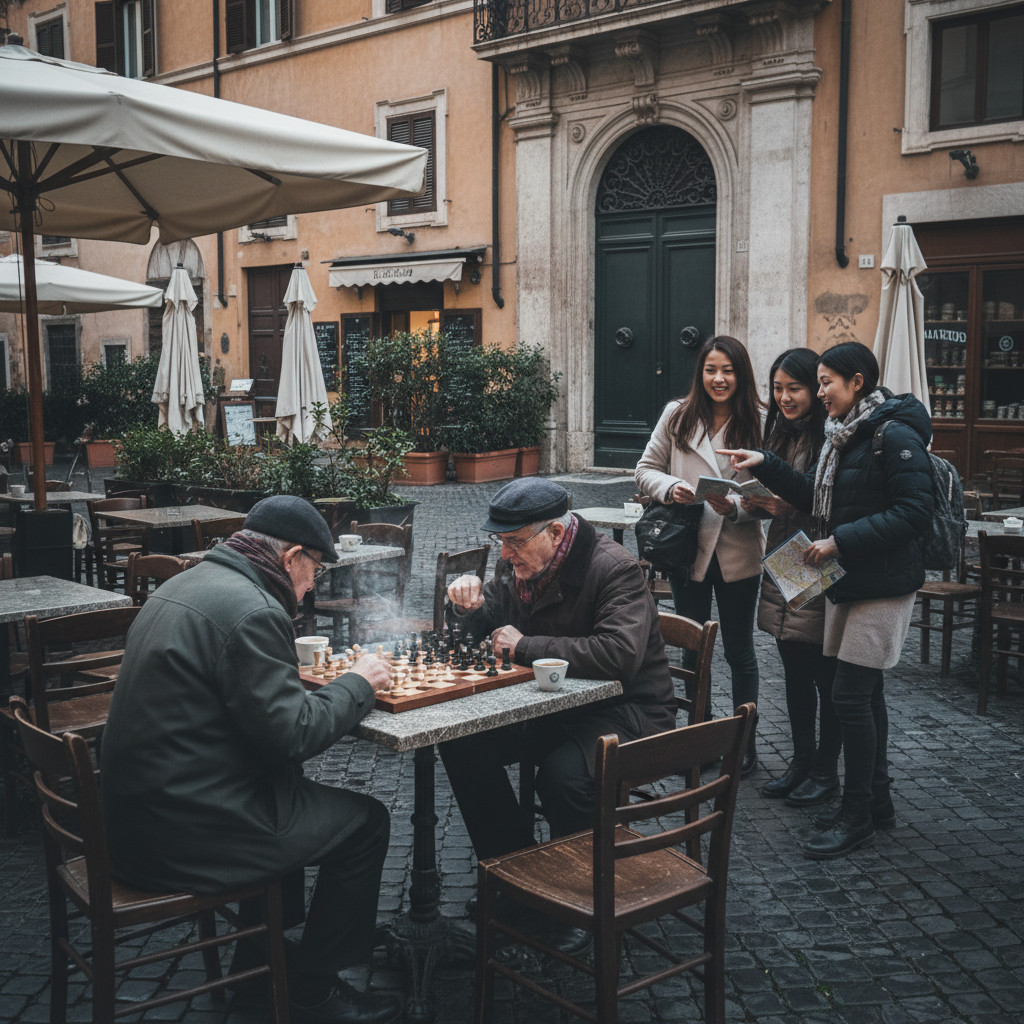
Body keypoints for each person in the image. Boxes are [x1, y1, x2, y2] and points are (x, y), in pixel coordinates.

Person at [101, 496, 401, 1024]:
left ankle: (262, 967)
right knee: (367, 823)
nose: (312, 588)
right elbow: (293, 734)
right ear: (291, 558)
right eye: (314, 572)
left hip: (133, 822)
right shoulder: (254, 610)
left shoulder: (181, 583)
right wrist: (359, 683)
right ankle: (311, 991)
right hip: (183, 835)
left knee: (288, 786)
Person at [439, 477, 676, 952]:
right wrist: (470, 605)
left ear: (553, 531)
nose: (505, 555)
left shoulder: (615, 568)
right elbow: (494, 626)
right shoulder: (522, 563)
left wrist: (525, 647)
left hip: (628, 712)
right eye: (500, 542)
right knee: (462, 742)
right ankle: (518, 878)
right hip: (556, 706)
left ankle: (581, 899)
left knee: (562, 777)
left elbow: (619, 655)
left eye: (514, 542)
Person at [720, 341, 933, 859]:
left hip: (880, 583)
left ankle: (855, 811)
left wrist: (841, 540)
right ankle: (876, 802)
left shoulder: (894, 433)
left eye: (825, 382)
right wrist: (765, 462)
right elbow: (815, 494)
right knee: (865, 696)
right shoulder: (848, 435)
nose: (818, 393)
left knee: (849, 696)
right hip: (848, 579)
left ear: (857, 381)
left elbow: (915, 513)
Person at [634, 335, 766, 775]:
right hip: (687, 551)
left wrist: (740, 509)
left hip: (737, 552)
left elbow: (771, 494)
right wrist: (670, 487)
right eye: (711, 369)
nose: (719, 378)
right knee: (693, 650)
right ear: (701, 373)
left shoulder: (759, 422)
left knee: (739, 650)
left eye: (727, 370)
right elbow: (644, 468)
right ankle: (699, 735)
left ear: (740, 374)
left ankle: (743, 741)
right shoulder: (678, 415)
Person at [744, 348, 842, 806]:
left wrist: (789, 504)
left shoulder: (832, 437)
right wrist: (747, 502)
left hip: (819, 561)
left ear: (816, 389)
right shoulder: (780, 432)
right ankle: (802, 762)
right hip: (785, 556)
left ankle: (825, 770)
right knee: (793, 666)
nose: (784, 397)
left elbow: (836, 501)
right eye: (777, 388)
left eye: (794, 388)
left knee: (824, 673)